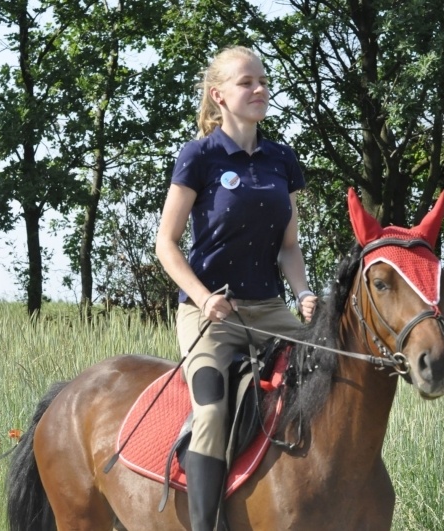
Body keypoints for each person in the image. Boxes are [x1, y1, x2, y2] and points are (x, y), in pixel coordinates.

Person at [155, 45, 318, 531]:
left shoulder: (281, 159)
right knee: (210, 410)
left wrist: (304, 293)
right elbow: (166, 244)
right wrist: (204, 298)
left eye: (263, 81)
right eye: (247, 82)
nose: (260, 89)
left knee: (327, 374)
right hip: (210, 315)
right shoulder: (198, 156)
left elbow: (289, 246)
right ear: (218, 95)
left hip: (270, 310)